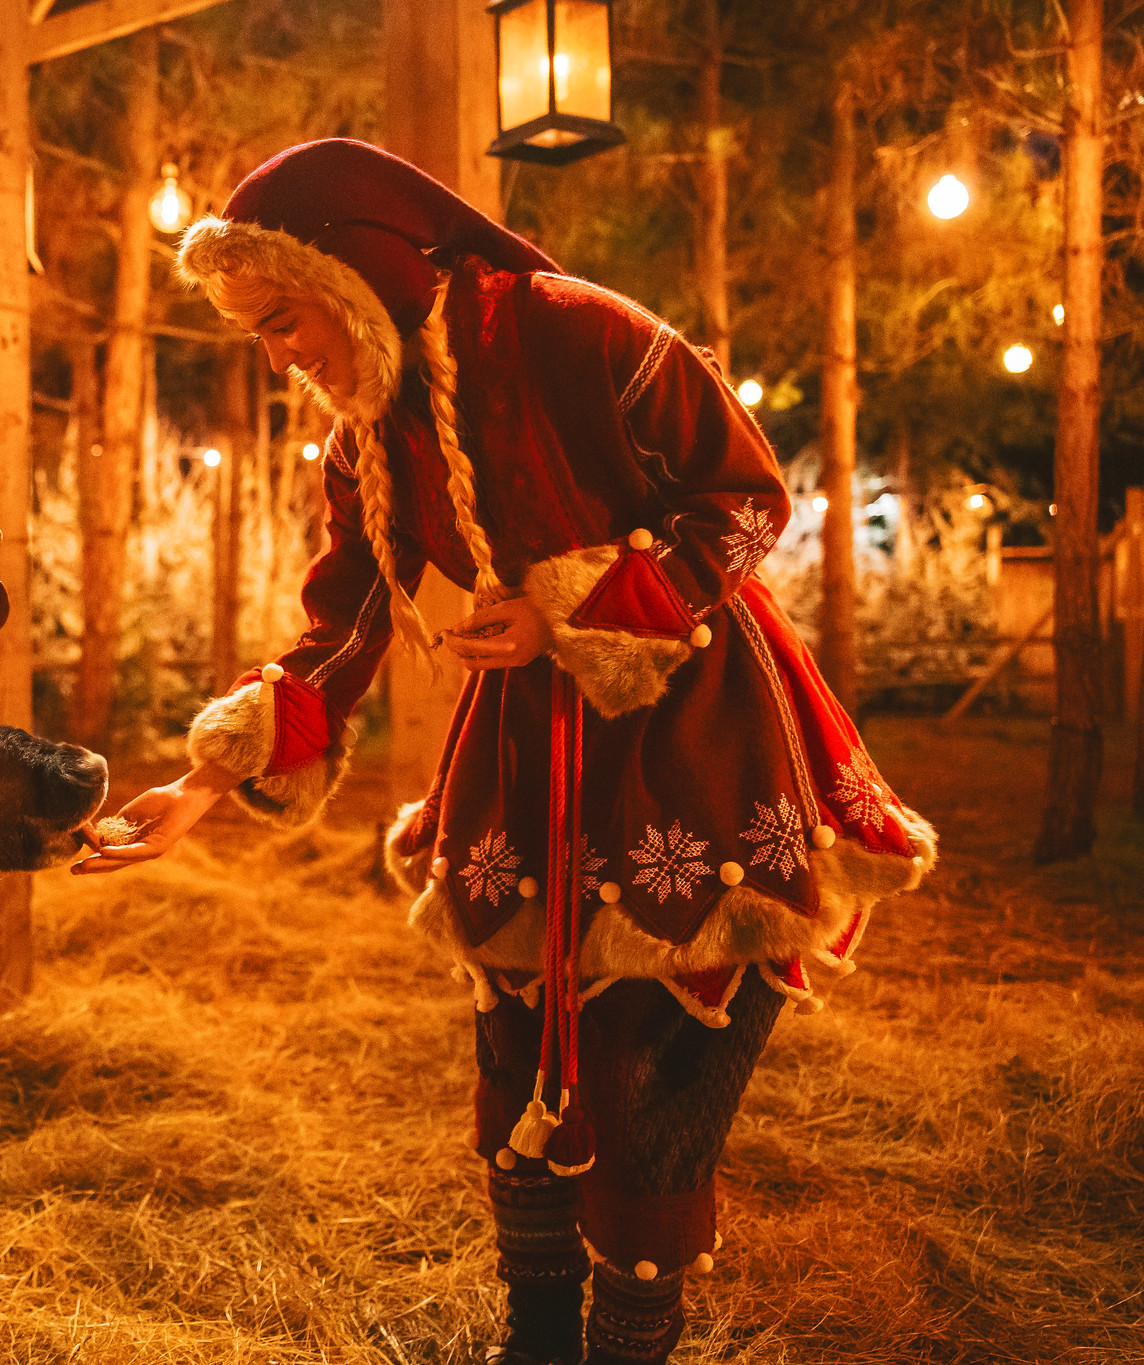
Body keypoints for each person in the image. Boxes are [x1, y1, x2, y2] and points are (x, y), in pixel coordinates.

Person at [73, 140, 935, 1365]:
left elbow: (743, 502)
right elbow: (345, 623)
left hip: (689, 734)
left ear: (354, 267)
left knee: (649, 1087)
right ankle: (532, 1344)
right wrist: (205, 784)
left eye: (280, 319)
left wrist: (574, 609)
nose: (279, 357)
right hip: (521, 762)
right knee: (514, 1059)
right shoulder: (367, 433)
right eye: (257, 335)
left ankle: (632, 1337)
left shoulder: (583, 334)